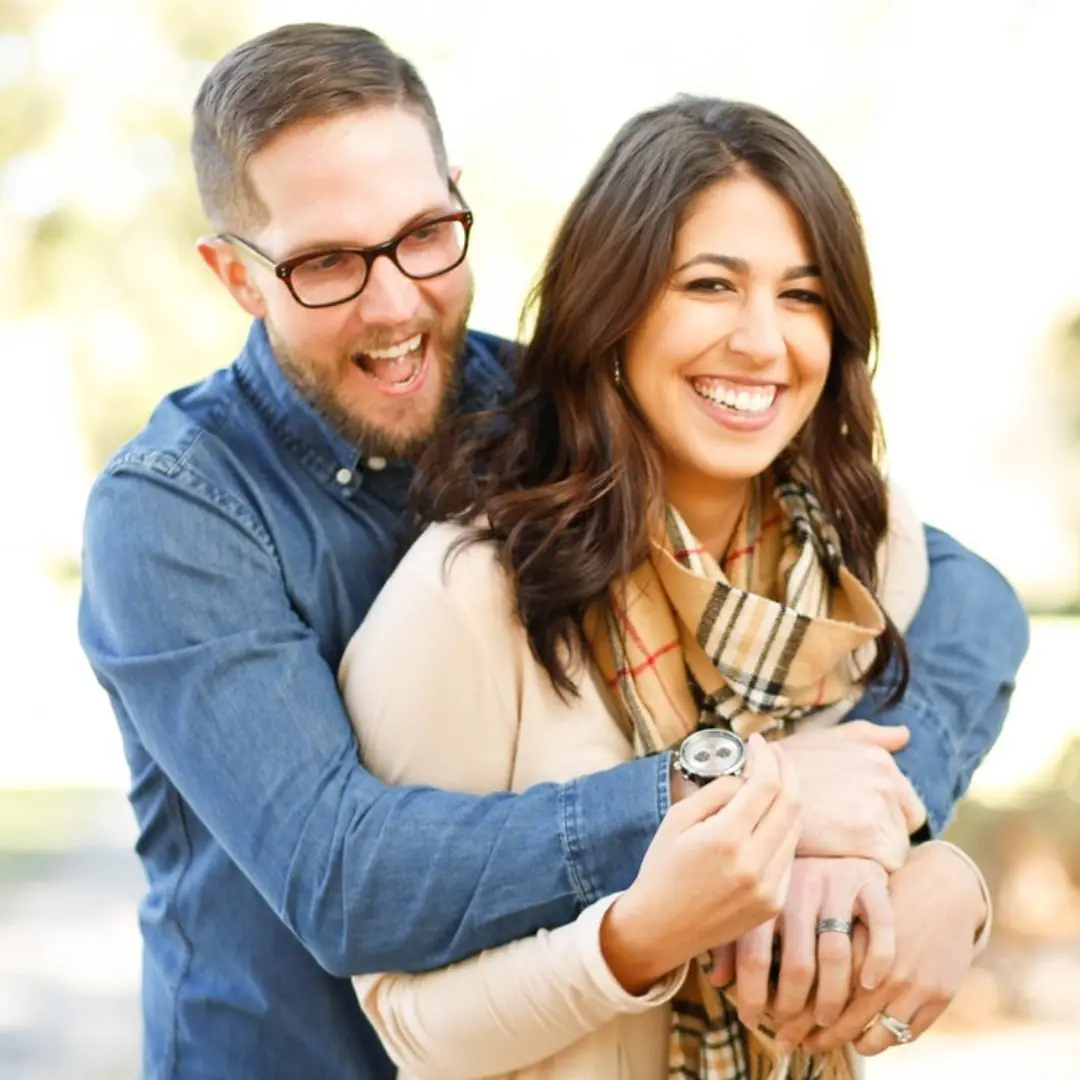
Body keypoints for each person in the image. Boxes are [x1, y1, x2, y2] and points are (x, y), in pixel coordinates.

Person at [76, 23, 1028, 1080]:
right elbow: (344, 876)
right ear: (236, 276)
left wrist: (899, 824)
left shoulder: (547, 409)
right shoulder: (176, 512)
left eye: (426, 234)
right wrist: (738, 795)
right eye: (326, 264)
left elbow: (968, 597)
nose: (397, 304)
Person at [336, 94, 999, 1080]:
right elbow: (410, 1023)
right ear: (614, 305)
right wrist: (639, 936)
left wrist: (947, 879)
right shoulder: (469, 596)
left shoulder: (867, 548)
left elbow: (875, 806)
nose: (762, 342)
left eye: (804, 296)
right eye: (709, 286)